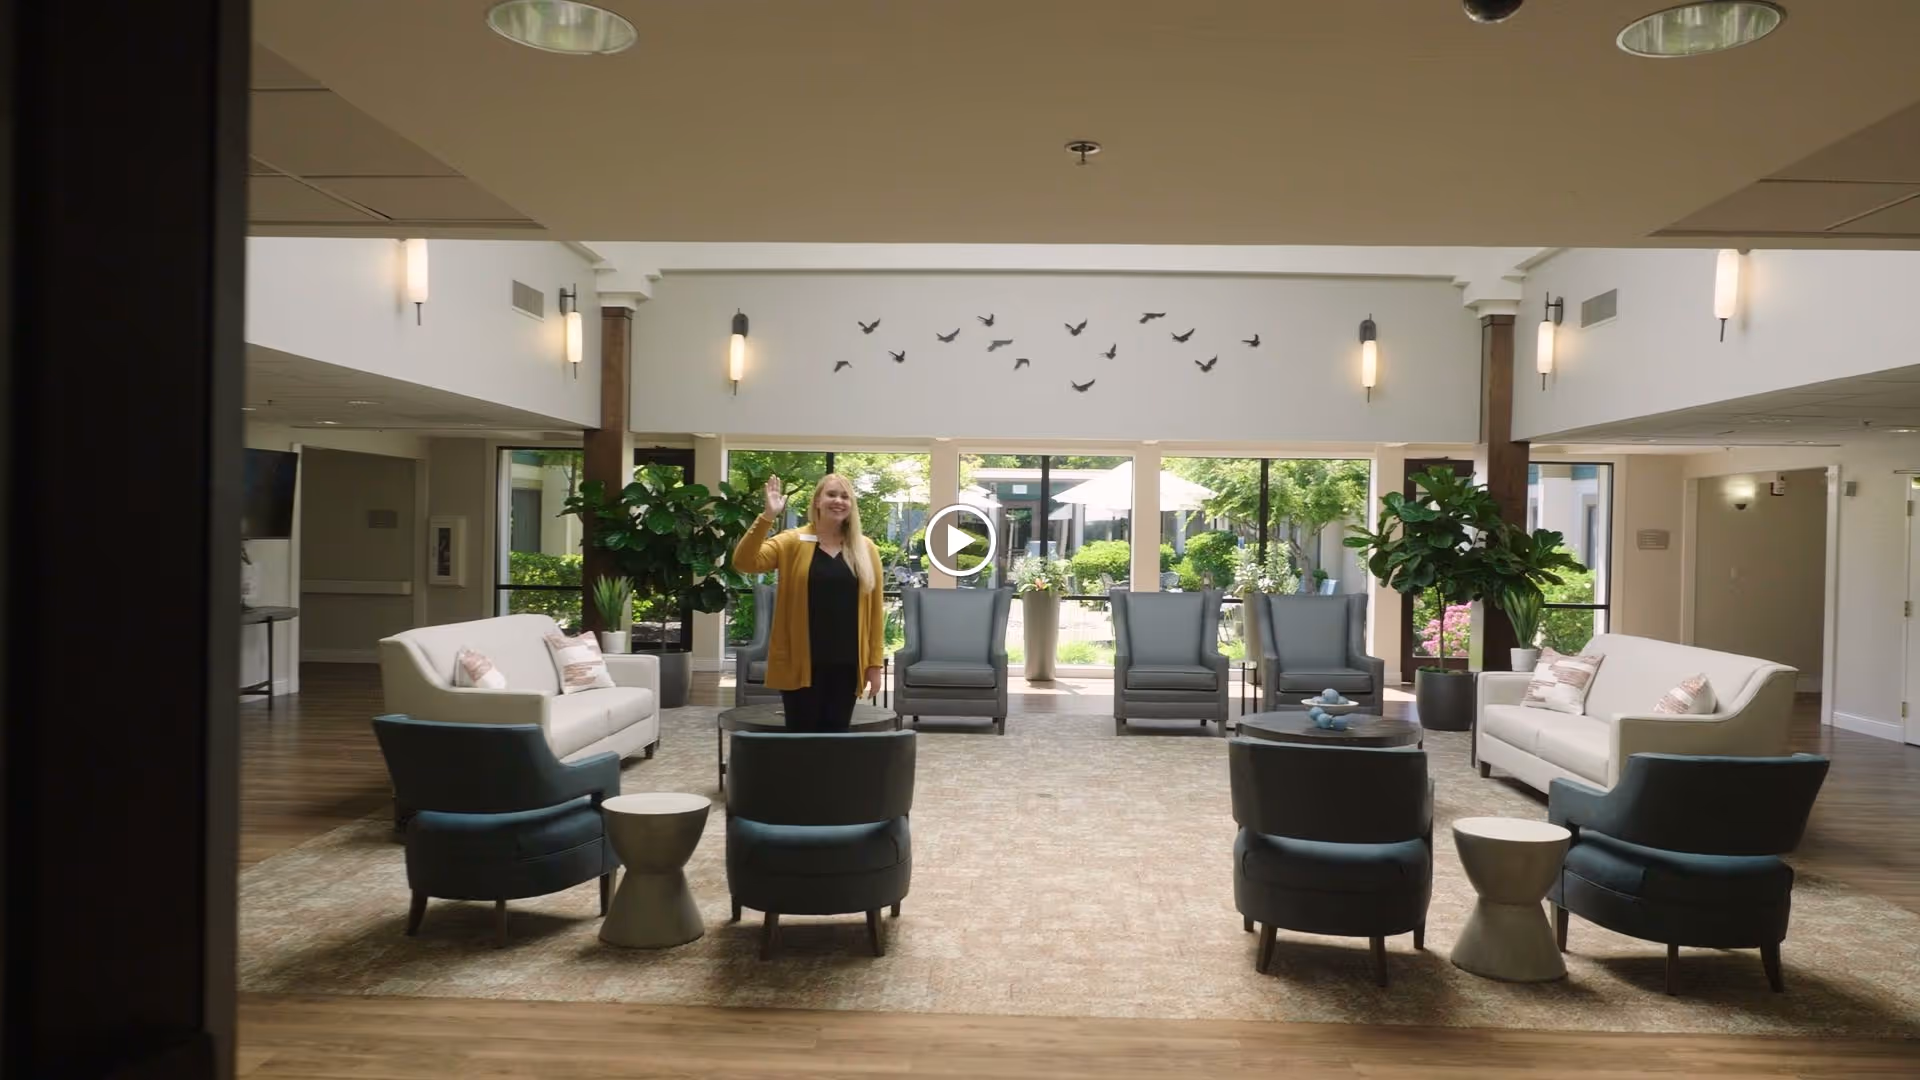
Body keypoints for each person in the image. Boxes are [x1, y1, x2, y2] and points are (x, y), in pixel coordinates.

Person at [731, 472, 885, 732]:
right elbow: (745, 562)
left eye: (845, 496)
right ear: (817, 501)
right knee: (800, 739)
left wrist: (874, 665)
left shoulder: (865, 548)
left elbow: (874, 614)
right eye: (832, 494)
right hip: (801, 662)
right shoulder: (793, 541)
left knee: (836, 739)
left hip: (846, 664)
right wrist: (767, 517)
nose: (838, 501)